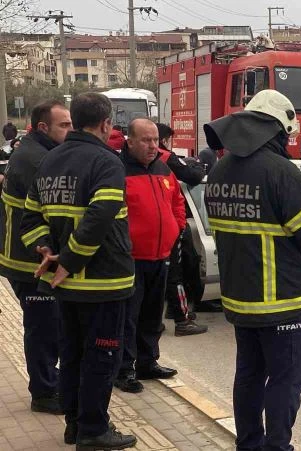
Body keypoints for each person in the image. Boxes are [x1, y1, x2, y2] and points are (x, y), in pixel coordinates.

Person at [203, 90, 301, 451]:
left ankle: (250, 445)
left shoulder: (221, 169)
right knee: (285, 381)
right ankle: (277, 447)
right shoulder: (280, 171)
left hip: (240, 300)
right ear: (277, 131)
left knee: (249, 377)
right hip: (281, 300)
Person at [20, 92, 137, 449]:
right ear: (105, 124)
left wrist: (50, 252)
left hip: (65, 286)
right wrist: (69, 262)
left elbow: (31, 217)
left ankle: (74, 424)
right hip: (103, 282)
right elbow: (99, 218)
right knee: (102, 355)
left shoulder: (51, 160)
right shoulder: (107, 162)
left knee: (71, 354)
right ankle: (93, 429)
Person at [0, 100, 72, 415]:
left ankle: (48, 384)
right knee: (43, 327)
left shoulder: (37, 151)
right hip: (29, 262)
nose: (71, 130)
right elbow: (52, 209)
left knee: (49, 326)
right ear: (44, 127)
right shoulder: (35, 159)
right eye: (64, 125)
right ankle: (44, 392)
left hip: (32, 259)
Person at [114, 118, 181, 393]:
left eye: (155, 140)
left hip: (160, 256)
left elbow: (177, 201)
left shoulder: (163, 169)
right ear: (130, 141)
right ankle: (124, 369)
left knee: (153, 315)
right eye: (146, 140)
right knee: (129, 317)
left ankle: (147, 362)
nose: (153, 145)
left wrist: (175, 229)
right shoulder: (118, 171)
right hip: (131, 258)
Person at [154, 123, 210, 335]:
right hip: (170, 226)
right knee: (177, 272)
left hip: (154, 227)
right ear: (164, 139)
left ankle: (160, 316)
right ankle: (182, 319)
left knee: (156, 273)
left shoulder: (128, 161)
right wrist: (197, 166)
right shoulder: (165, 158)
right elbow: (193, 177)